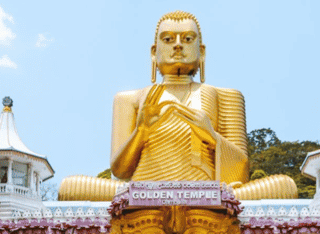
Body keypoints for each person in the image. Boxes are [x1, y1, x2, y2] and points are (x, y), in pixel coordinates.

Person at [58, 11, 296, 201]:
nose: (178, 46)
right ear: (154, 52)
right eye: (168, 39)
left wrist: (211, 136)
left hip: (207, 194)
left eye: (188, 39)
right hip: (143, 193)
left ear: (201, 52)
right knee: (70, 187)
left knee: (285, 186)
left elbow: (240, 174)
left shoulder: (225, 96)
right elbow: (120, 171)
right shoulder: (129, 99)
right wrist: (141, 131)